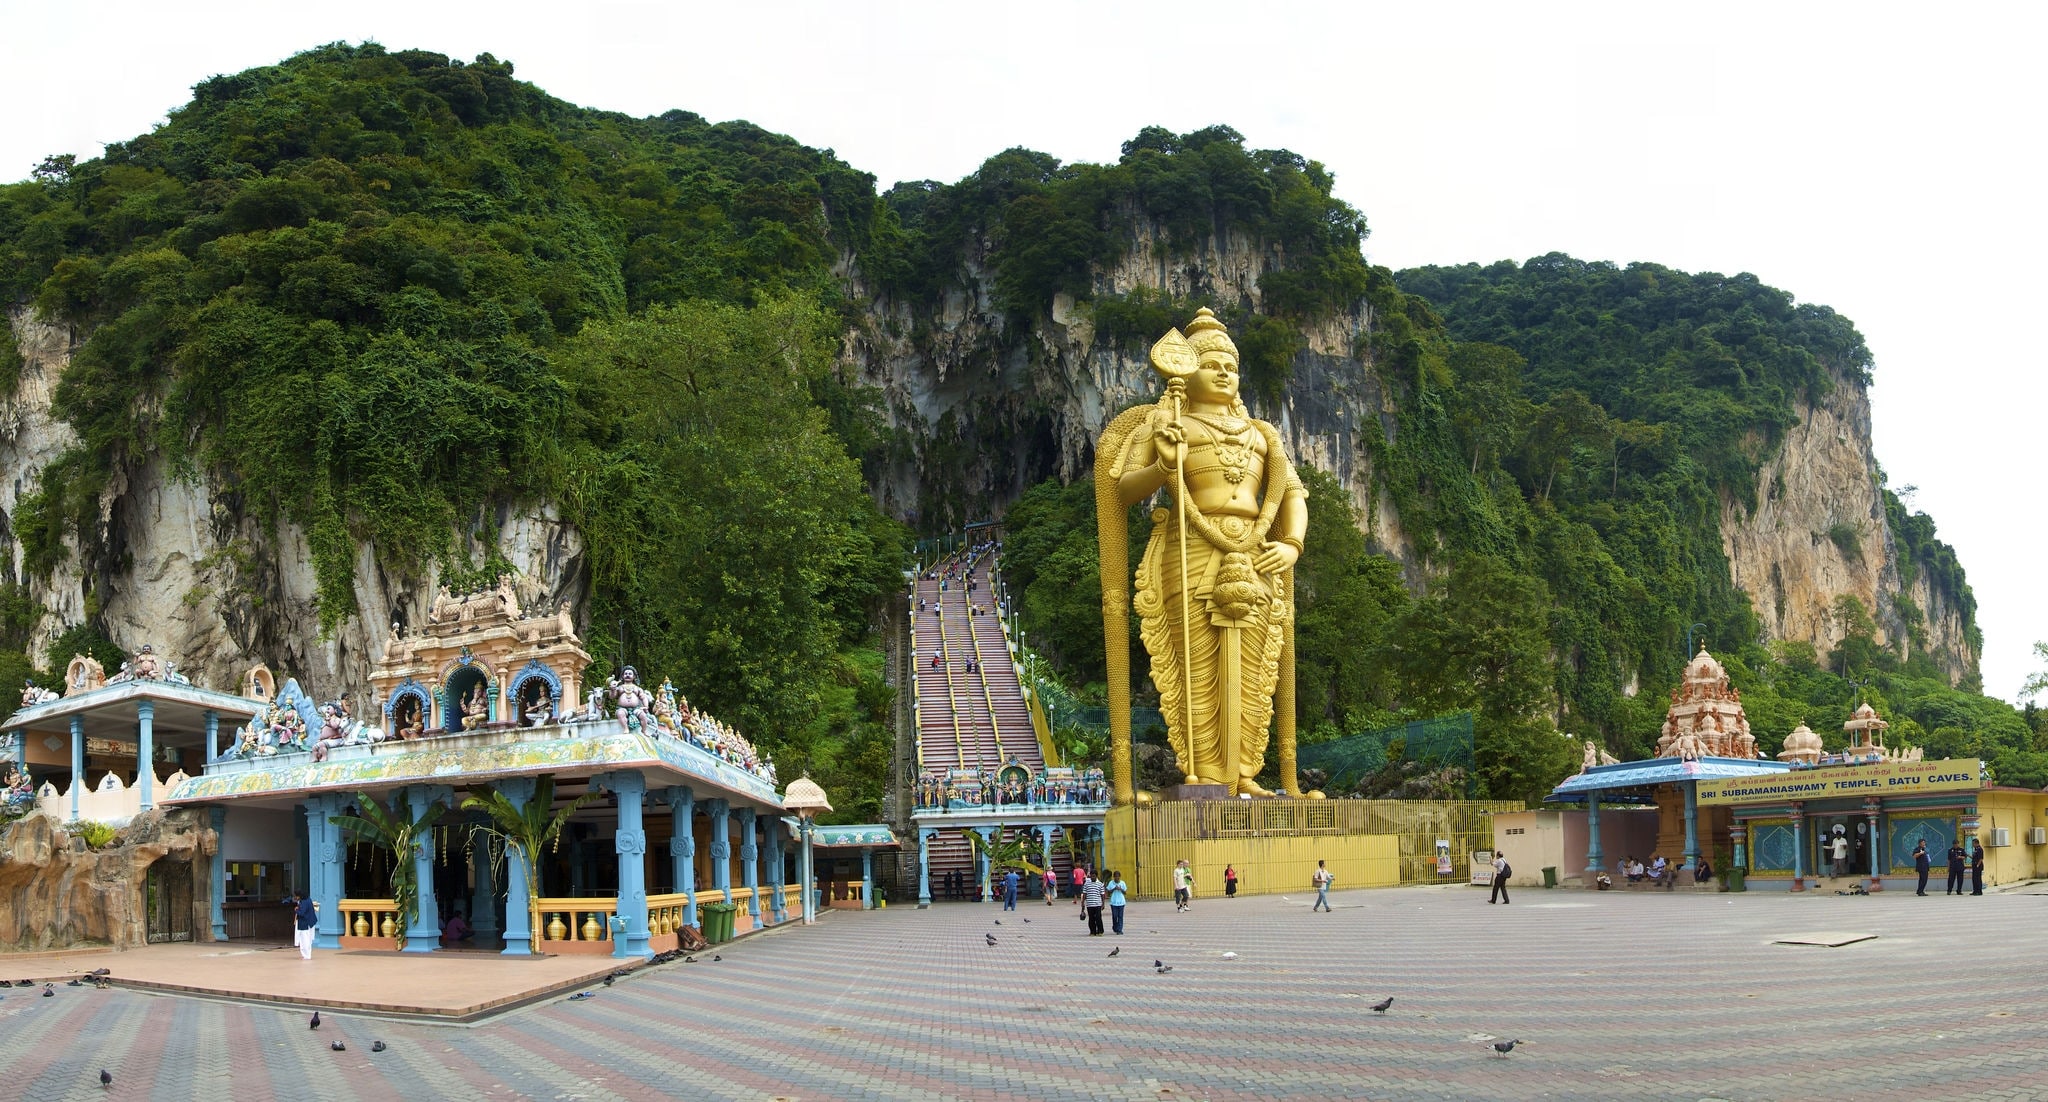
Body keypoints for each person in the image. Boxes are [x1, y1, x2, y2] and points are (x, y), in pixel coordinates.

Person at [1101, 308, 1309, 799]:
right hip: (1190, 546)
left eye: (1230, 366)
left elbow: (1293, 494)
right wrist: (1160, 465)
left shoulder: (1263, 434)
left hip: (1256, 550)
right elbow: (1120, 491)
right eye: (1210, 363)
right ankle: (1206, 775)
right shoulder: (1167, 422)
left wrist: (1292, 543)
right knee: (1195, 662)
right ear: (1183, 372)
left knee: (1256, 663)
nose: (1222, 372)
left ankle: (1243, 773)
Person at [291, 890, 318, 960]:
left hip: (305, 923)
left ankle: (306, 955)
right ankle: (307, 955)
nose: (296, 897)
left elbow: (302, 913)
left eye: (296, 896)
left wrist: (296, 910)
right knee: (308, 940)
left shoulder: (303, 902)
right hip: (310, 922)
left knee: (304, 940)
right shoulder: (308, 899)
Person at [1082, 872, 1106, 936]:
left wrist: (1103, 904)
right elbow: (1084, 894)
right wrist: (1083, 902)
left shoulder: (1100, 884)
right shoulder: (1086, 884)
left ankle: (1100, 931)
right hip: (1089, 904)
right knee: (1091, 918)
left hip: (1098, 904)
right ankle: (1092, 931)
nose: (1092, 877)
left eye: (1094, 876)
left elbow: (1102, 894)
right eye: (1091, 876)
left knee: (1098, 918)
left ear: (1096, 876)